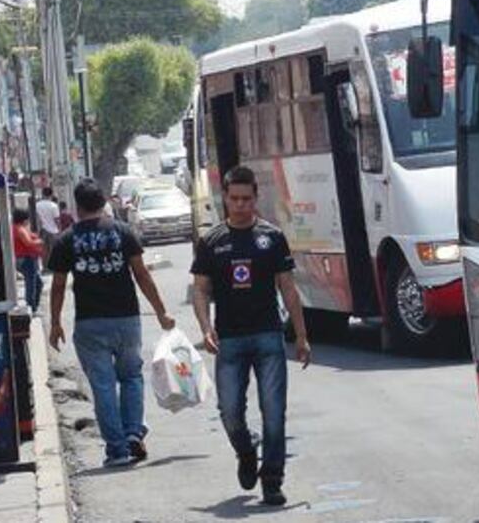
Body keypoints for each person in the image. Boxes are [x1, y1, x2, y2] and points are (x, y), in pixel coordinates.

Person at [190, 165, 310, 507]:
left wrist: (301, 336)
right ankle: (246, 451)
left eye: (247, 199)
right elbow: (200, 290)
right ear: (224, 199)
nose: (241, 205)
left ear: (257, 198)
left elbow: (288, 288)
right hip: (229, 340)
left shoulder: (271, 238)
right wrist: (205, 327)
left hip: (269, 337)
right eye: (234, 199)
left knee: (274, 410)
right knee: (229, 411)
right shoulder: (212, 242)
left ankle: (272, 480)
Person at [48, 178, 175, 467]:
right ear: (104, 202)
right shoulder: (122, 232)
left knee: (103, 385)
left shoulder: (67, 240)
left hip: (90, 322)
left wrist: (55, 322)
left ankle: (117, 450)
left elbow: (57, 285)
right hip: (126, 319)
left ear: (78, 207)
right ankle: (132, 433)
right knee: (131, 377)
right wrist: (160, 311)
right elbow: (142, 275)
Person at [12, 209, 44, 313]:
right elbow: (28, 243)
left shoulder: (16, 228)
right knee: (32, 284)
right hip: (27, 258)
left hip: (23, 258)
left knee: (38, 282)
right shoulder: (20, 229)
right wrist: (40, 241)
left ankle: (34, 306)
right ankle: (32, 307)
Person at [36, 187, 60, 269]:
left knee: (44, 250)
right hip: (53, 230)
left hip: (42, 230)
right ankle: (52, 266)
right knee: (53, 250)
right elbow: (56, 219)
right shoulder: (54, 206)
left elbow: (36, 218)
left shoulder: (37, 205)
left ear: (42, 194)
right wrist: (60, 229)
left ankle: (45, 267)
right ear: (51, 195)